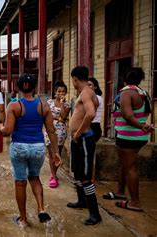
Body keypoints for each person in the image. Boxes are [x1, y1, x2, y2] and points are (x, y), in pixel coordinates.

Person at [0, 74, 59, 227]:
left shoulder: (14, 105)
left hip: (19, 147)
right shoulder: (44, 105)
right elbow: (51, 130)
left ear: (18, 88)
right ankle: (41, 209)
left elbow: (8, 130)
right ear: (35, 87)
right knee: (35, 177)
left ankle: (23, 219)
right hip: (38, 147)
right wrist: (55, 152)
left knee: (20, 182)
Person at [102, 67, 152, 212]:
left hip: (128, 136)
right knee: (125, 165)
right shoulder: (143, 93)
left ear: (124, 79)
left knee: (131, 168)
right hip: (139, 137)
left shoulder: (127, 93)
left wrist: (141, 126)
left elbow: (128, 116)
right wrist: (142, 126)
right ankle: (120, 192)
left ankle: (135, 202)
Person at [66, 66, 101, 225]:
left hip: (84, 139)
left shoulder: (86, 93)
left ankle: (95, 213)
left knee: (86, 177)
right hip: (78, 140)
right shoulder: (87, 93)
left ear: (75, 79)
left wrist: (79, 132)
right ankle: (82, 201)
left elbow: (91, 113)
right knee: (78, 173)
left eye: (72, 80)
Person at [43, 81, 71, 188]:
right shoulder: (49, 102)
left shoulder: (67, 104)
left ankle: (54, 173)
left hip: (61, 130)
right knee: (51, 154)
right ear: (55, 92)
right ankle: (54, 176)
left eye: (63, 91)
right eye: (59, 91)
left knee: (57, 153)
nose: (61, 93)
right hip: (50, 129)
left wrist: (63, 103)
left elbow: (63, 116)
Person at [87, 77, 103, 142]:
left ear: (95, 87)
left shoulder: (97, 98)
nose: (87, 87)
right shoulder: (88, 97)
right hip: (89, 126)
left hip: (93, 126)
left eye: (90, 85)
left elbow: (90, 113)